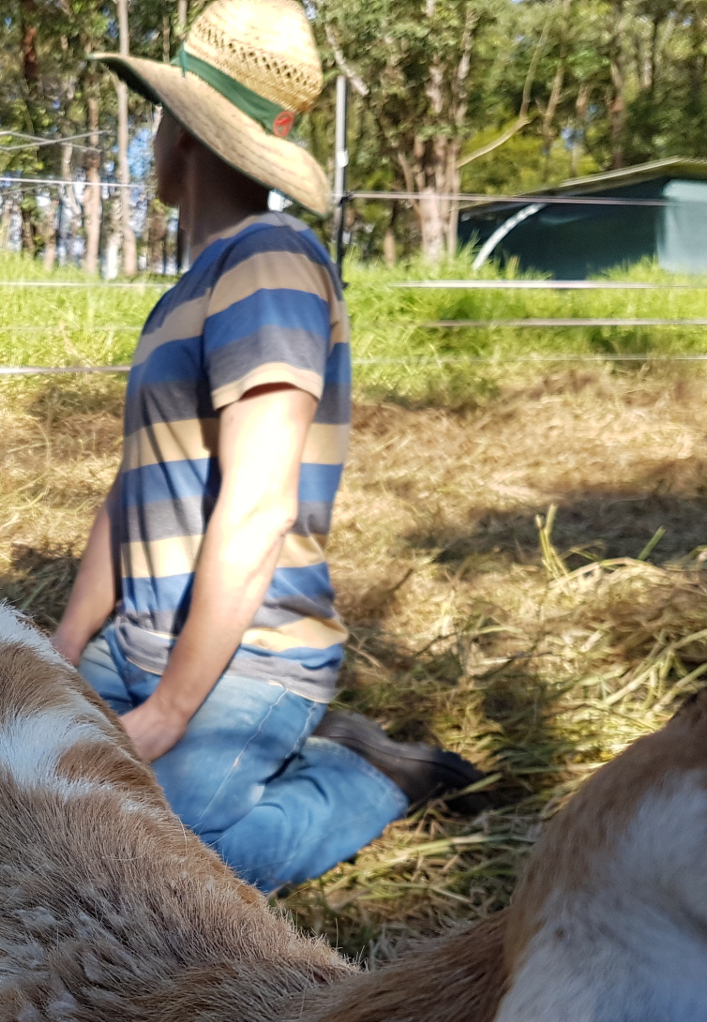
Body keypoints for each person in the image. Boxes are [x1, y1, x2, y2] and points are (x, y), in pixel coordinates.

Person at [53, 0, 483, 893]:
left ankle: (365, 779)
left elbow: (259, 505)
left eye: (160, 116)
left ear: (186, 132)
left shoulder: (272, 262)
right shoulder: (188, 292)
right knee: (27, 823)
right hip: (135, 641)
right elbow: (133, 487)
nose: (152, 137)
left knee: (149, 877)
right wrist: (62, 648)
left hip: (248, 657)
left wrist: (173, 712)